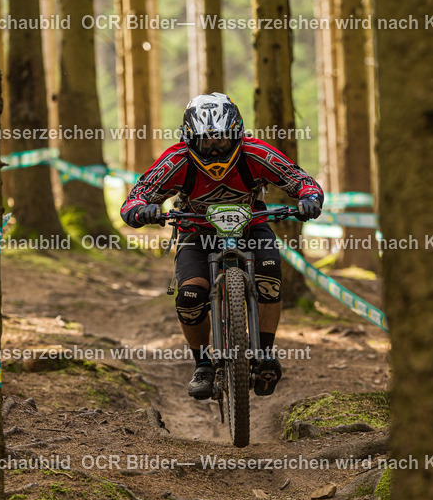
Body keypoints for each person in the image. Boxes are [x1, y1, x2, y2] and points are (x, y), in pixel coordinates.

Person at [120, 93, 323, 400]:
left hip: (251, 225)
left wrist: (309, 199)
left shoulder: (255, 153)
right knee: (189, 296)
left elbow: (299, 178)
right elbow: (138, 195)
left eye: (223, 142)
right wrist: (140, 210)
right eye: (205, 143)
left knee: (269, 273)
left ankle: (264, 353)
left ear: (238, 137)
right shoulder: (176, 160)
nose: (214, 151)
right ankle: (203, 364)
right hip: (196, 232)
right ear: (189, 140)